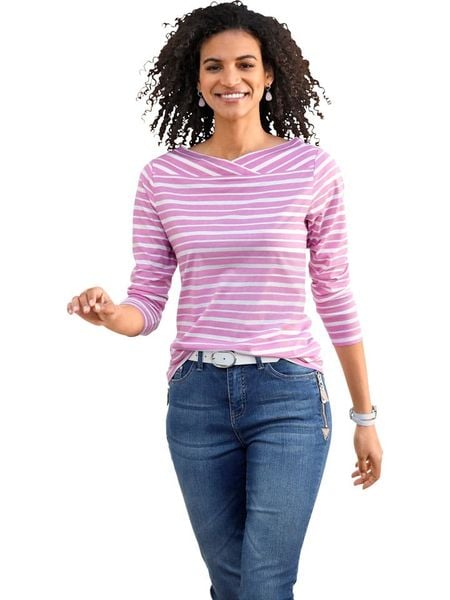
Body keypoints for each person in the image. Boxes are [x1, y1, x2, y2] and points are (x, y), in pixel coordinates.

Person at [67, 1, 383, 598]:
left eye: (245, 64)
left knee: (264, 584)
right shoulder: (163, 178)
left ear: (268, 75)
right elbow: (147, 303)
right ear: (197, 78)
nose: (229, 78)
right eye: (213, 66)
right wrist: (110, 315)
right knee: (230, 583)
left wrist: (364, 418)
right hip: (197, 399)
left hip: (288, 395)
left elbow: (335, 293)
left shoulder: (310, 169)